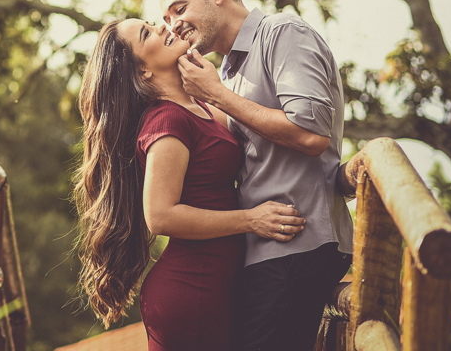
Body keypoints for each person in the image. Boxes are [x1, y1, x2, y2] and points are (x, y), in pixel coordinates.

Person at [74, 18, 305, 351]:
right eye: (147, 34)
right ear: (142, 72)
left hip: (219, 285)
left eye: (152, 23)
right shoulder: (167, 119)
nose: (163, 28)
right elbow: (161, 216)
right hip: (191, 291)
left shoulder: (200, 109)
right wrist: (252, 220)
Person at [158, 0, 354, 351]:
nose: (173, 25)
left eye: (179, 9)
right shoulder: (226, 72)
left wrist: (216, 96)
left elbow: (312, 132)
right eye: (165, 19)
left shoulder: (283, 33)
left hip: (299, 244)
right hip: (262, 251)